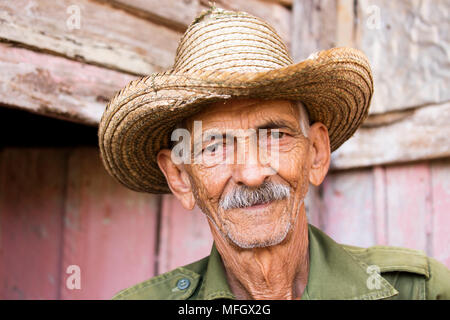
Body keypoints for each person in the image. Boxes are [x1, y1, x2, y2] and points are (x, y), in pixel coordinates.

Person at [98, 7, 450, 300]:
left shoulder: (419, 291)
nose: (252, 173)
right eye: (214, 146)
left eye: (275, 135)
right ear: (180, 177)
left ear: (315, 152)